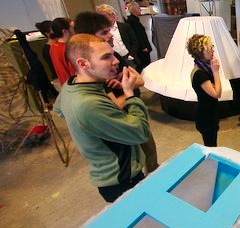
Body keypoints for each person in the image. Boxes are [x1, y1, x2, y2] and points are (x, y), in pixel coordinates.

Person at [53, 34, 149, 202]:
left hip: (109, 174)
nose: (116, 61)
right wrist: (129, 94)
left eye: (112, 54)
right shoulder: (88, 104)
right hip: (122, 180)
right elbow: (141, 132)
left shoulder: (71, 85)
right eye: (106, 57)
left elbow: (59, 110)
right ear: (83, 63)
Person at [73, 11, 159, 174]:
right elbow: (113, 107)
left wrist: (124, 88)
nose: (111, 35)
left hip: (134, 114)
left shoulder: (115, 57)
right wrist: (127, 91)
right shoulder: (92, 79)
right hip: (125, 129)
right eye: (104, 32)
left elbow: (139, 81)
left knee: (149, 151)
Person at [186, 34, 222, 147]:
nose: (213, 50)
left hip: (209, 112)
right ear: (200, 52)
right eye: (209, 48)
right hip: (206, 116)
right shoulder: (200, 74)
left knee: (211, 144)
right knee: (211, 147)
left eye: (212, 47)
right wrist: (216, 71)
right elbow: (217, 93)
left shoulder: (203, 67)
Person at [96, 4, 140, 70]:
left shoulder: (124, 26)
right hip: (114, 60)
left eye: (104, 16)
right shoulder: (101, 31)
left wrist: (131, 54)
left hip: (128, 57)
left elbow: (134, 41)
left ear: (112, 15)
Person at [126, 2, 153, 71]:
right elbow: (137, 35)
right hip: (141, 49)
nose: (140, 9)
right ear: (134, 10)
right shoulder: (132, 21)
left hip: (142, 47)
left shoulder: (135, 19)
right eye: (138, 8)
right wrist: (143, 47)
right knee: (144, 64)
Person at [49, 17, 75, 85]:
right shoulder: (69, 49)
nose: (75, 31)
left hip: (65, 86)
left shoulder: (53, 47)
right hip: (75, 86)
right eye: (72, 29)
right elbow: (74, 73)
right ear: (65, 31)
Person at [35, 20, 58, 85]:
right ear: (47, 33)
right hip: (59, 79)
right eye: (53, 29)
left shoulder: (58, 44)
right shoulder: (47, 49)